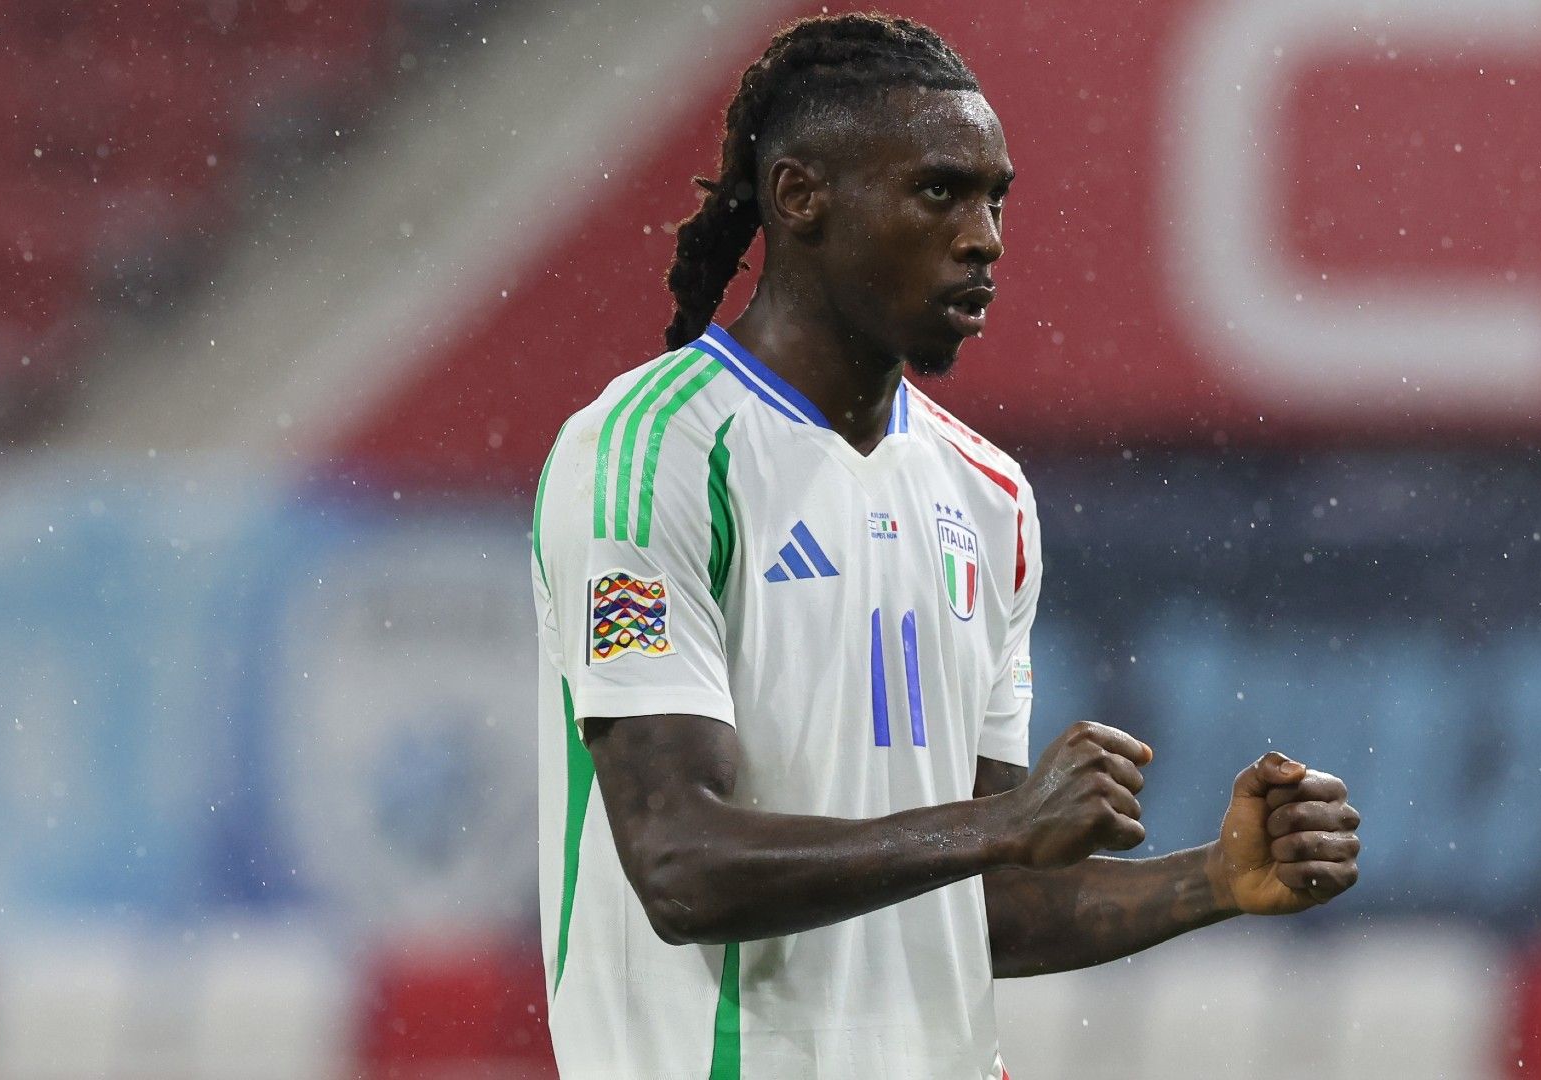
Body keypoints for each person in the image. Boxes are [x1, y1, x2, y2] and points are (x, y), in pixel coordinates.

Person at [529, 13, 1362, 1079]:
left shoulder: (991, 497)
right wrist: (1003, 825)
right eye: (939, 192)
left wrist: (1213, 879)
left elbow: (988, 907)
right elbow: (682, 866)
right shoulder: (652, 456)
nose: (985, 239)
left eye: (995, 198)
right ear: (800, 197)